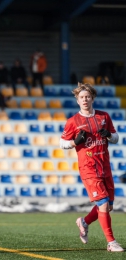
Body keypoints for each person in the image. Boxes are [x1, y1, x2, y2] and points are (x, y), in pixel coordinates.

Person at [60, 82, 124, 252]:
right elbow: (62, 143)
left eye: (88, 96)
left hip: (105, 167)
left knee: (108, 206)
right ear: (77, 100)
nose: (85, 99)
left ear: (93, 98)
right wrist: (75, 142)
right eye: (82, 97)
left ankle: (84, 222)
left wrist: (109, 135)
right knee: (103, 205)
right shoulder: (73, 121)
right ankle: (112, 242)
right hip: (88, 168)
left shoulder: (104, 117)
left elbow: (117, 138)